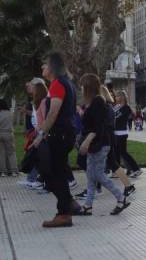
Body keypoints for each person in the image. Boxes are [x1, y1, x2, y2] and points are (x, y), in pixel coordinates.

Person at [31, 53, 78, 228]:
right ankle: (66, 208)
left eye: (44, 65)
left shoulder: (58, 83)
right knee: (57, 172)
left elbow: (53, 113)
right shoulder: (67, 83)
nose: (42, 67)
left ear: (52, 67)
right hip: (65, 133)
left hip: (60, 134)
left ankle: (66, 210)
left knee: (50, 175)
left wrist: (41, 134)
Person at [77, 74, 130, 215]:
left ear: (88, 87)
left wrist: (86, 142)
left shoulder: (98, 102)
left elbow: (97, 126)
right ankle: (88, 205)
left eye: (82, 86)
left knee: (98, 175)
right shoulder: (92, 102)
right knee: (91, 175)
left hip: (99, 144)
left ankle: (120, 197)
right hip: (95, 144)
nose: (81, 88)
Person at [114, 90, 142, 178]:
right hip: (116, 133)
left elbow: (116, 118)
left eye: (118, 96)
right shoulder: (117, 107)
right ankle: (118, 171)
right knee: (116, 153)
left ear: (122, 97)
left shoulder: (126, 108)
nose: (116, 98)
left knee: (123, 152)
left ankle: (136, 169)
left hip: (122, 133)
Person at [0, 99, 18, 177]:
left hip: (0, 133)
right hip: (9, 133)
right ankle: (13, 171)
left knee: (1, 153)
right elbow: (14, 123)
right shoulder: (10, 113)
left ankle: (3, 172)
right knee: (11, 153)